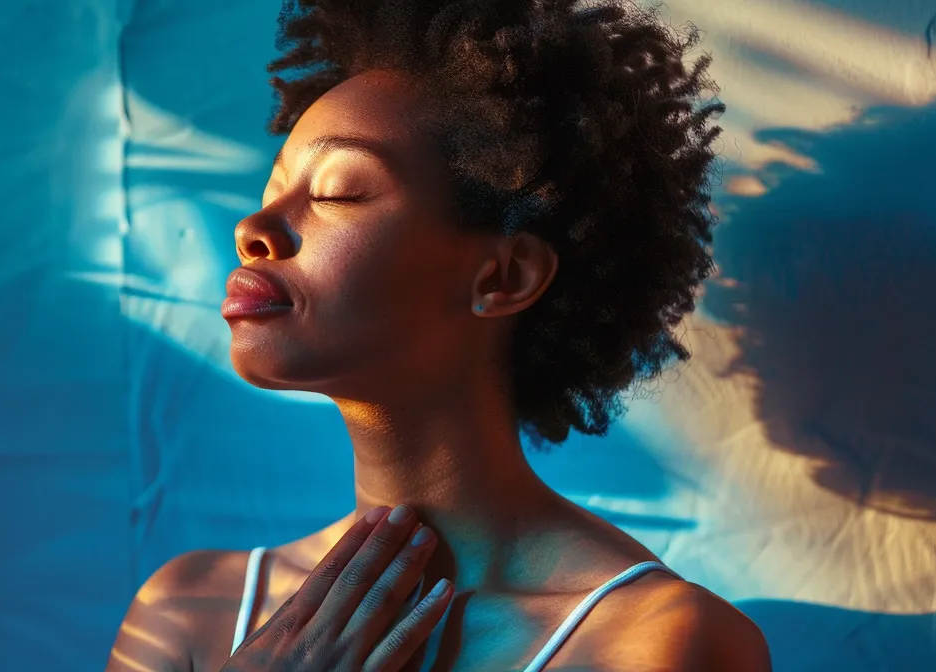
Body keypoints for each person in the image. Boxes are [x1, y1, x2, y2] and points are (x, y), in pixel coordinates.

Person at [107, 0, 770, 669]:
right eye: (274, 189)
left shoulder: (653, 644)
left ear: (503, 277)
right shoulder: (184, 611)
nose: (254, 229)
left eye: (338, 191)